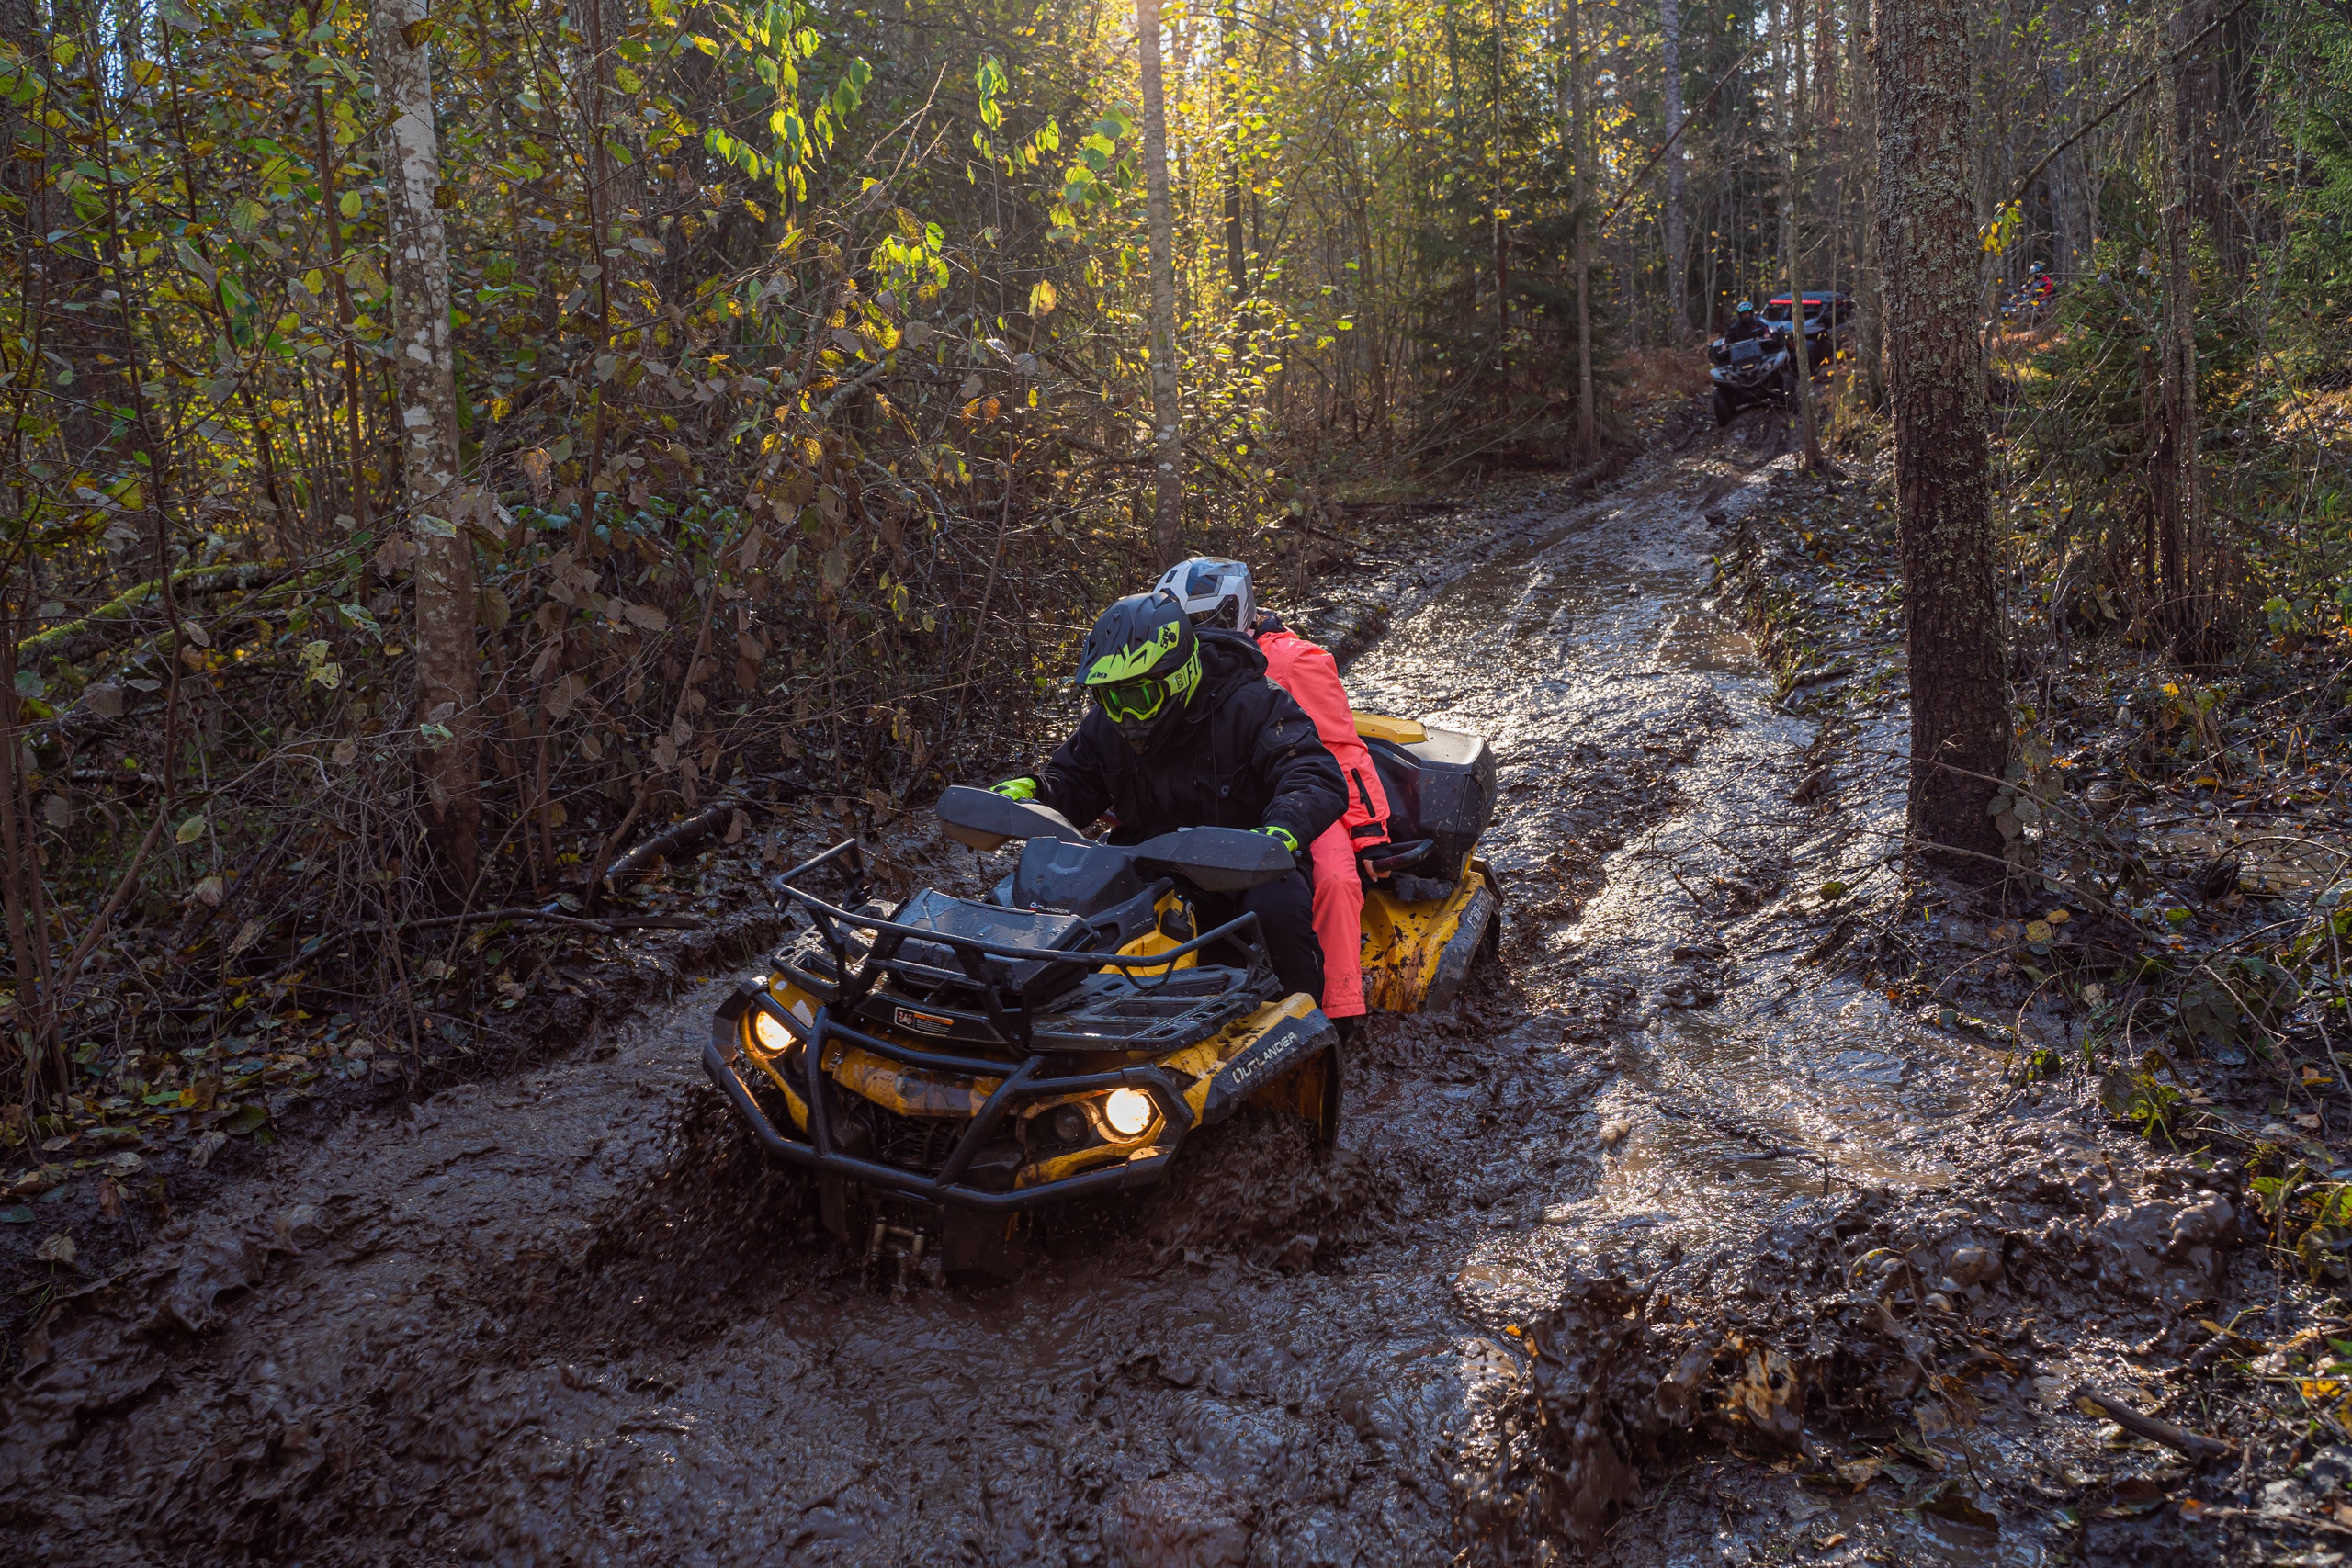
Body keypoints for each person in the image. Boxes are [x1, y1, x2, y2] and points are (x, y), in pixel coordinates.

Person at [988, 592, 1344, 1002]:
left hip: (1249, 863)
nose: (1125, 716)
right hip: (1143, 859)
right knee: (1044, 896)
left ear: (1179, 677)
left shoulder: (1256, 703)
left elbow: (1312, 772)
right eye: (1110, 697)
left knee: (1276, 913)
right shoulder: (1108, 722)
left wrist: (1283, 828)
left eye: (1138, 697)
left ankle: (1306, 1019)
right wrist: (1034, 790)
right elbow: (1074, 781)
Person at [1153, 558, 1391, 1022]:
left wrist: (1369, 831)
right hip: (1226, 797)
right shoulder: (1173, 666)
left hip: (1301, 792)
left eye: (1202, 620)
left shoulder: (1295, 661)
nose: (1194, 632)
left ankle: (1340, 1008)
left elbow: (1341, 747)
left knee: (1335, 881)